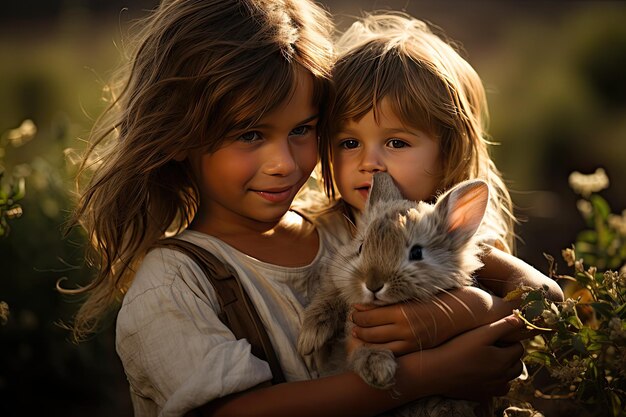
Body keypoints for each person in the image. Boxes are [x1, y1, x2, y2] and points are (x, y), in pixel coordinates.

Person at [64, 2, 531, 416]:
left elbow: (538, 291)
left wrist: (462, 313)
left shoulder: (353, 226)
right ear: (177, 134)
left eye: (303, 130)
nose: (285, 164)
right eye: (250, 134)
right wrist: (428, 376)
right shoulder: (173, 283)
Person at [317, 12, 564, 357]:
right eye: (349, 143)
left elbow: (546, 298)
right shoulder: (325, 227)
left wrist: (473, 310)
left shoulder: (444, 237)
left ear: (449, 153)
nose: (368, 163)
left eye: (396, 143)